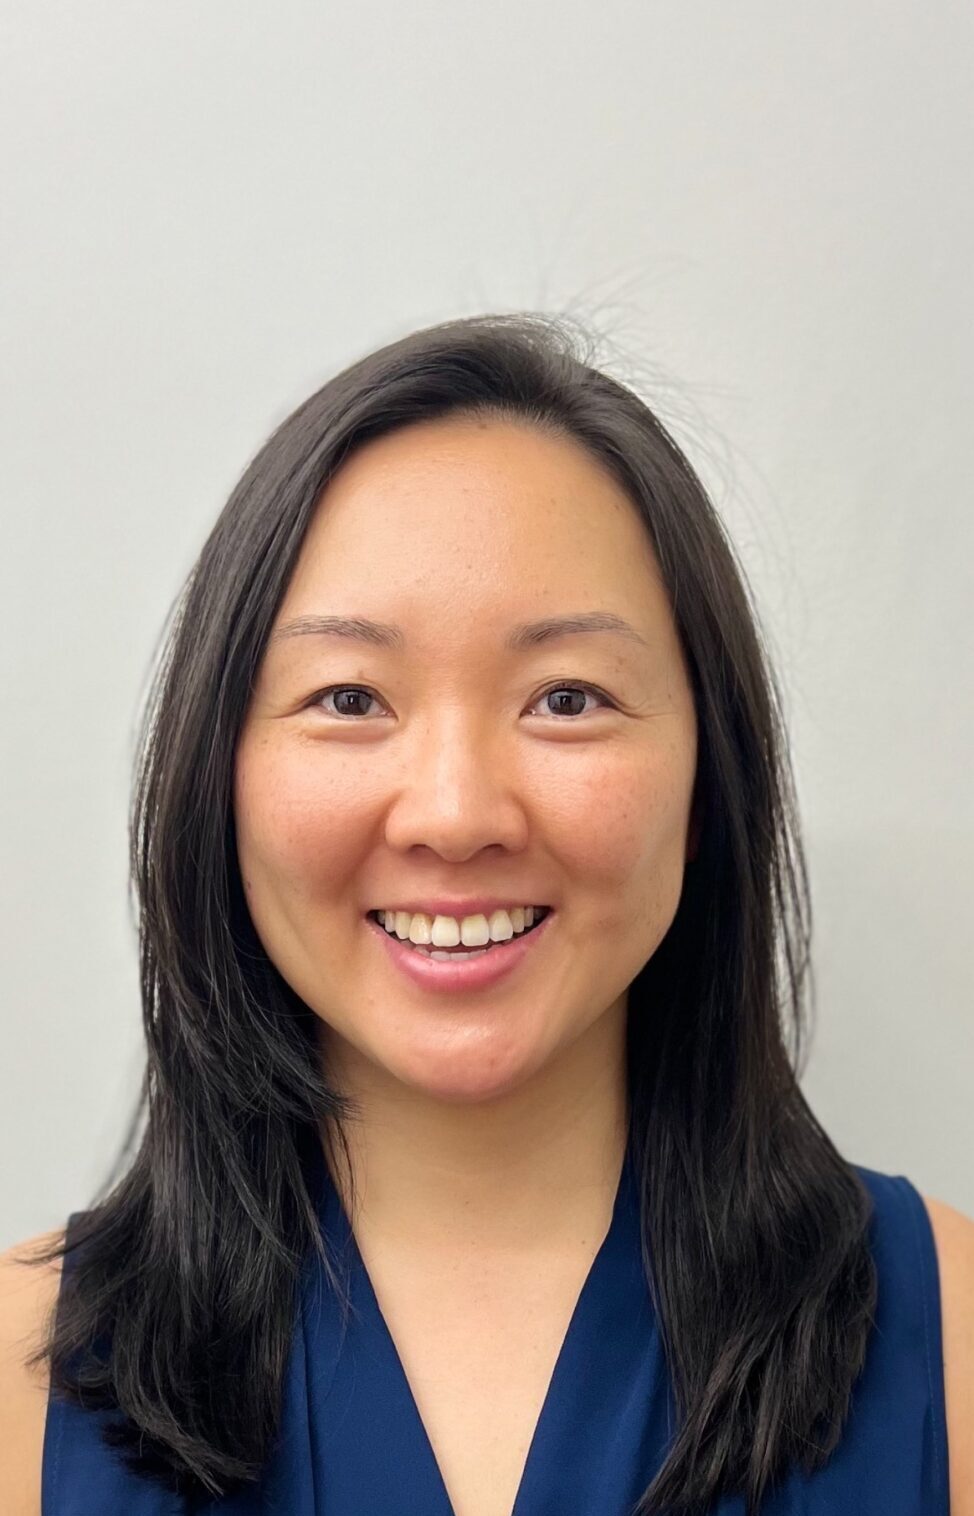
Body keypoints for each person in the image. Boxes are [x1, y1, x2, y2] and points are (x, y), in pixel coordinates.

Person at [0, 312, 970, 1516]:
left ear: (705, 772)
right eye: (348, 696)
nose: (455, 813)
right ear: (217, 777)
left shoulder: (951, 1345)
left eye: (566, 697)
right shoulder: (19, 1377)